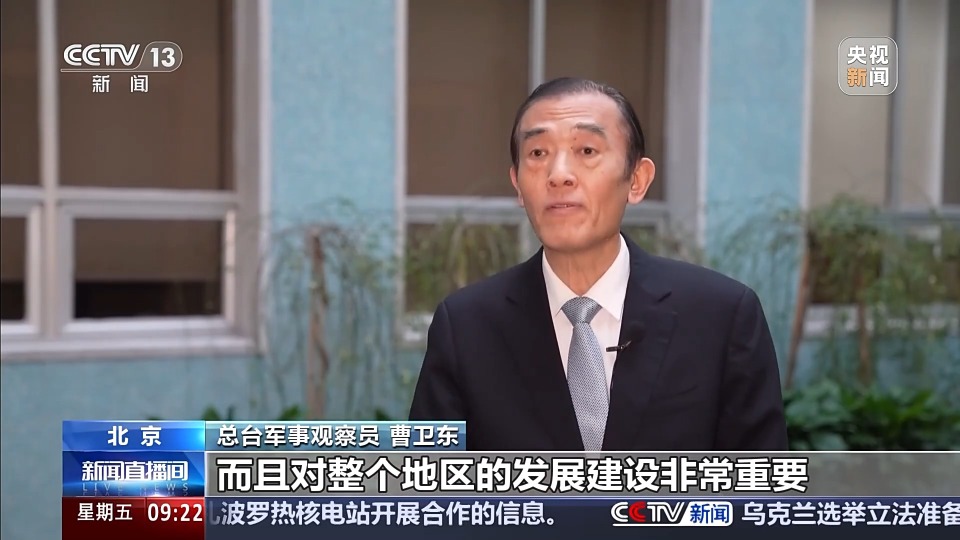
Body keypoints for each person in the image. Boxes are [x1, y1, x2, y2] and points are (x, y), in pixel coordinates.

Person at [409, 77, 788, 451]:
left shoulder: (721, 316)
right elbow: (429, 482)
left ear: (637, 180)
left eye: (587, 151)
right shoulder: (466, 327)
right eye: (537, 154)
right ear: (517, 184)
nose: (559, 175)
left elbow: (761, 483)